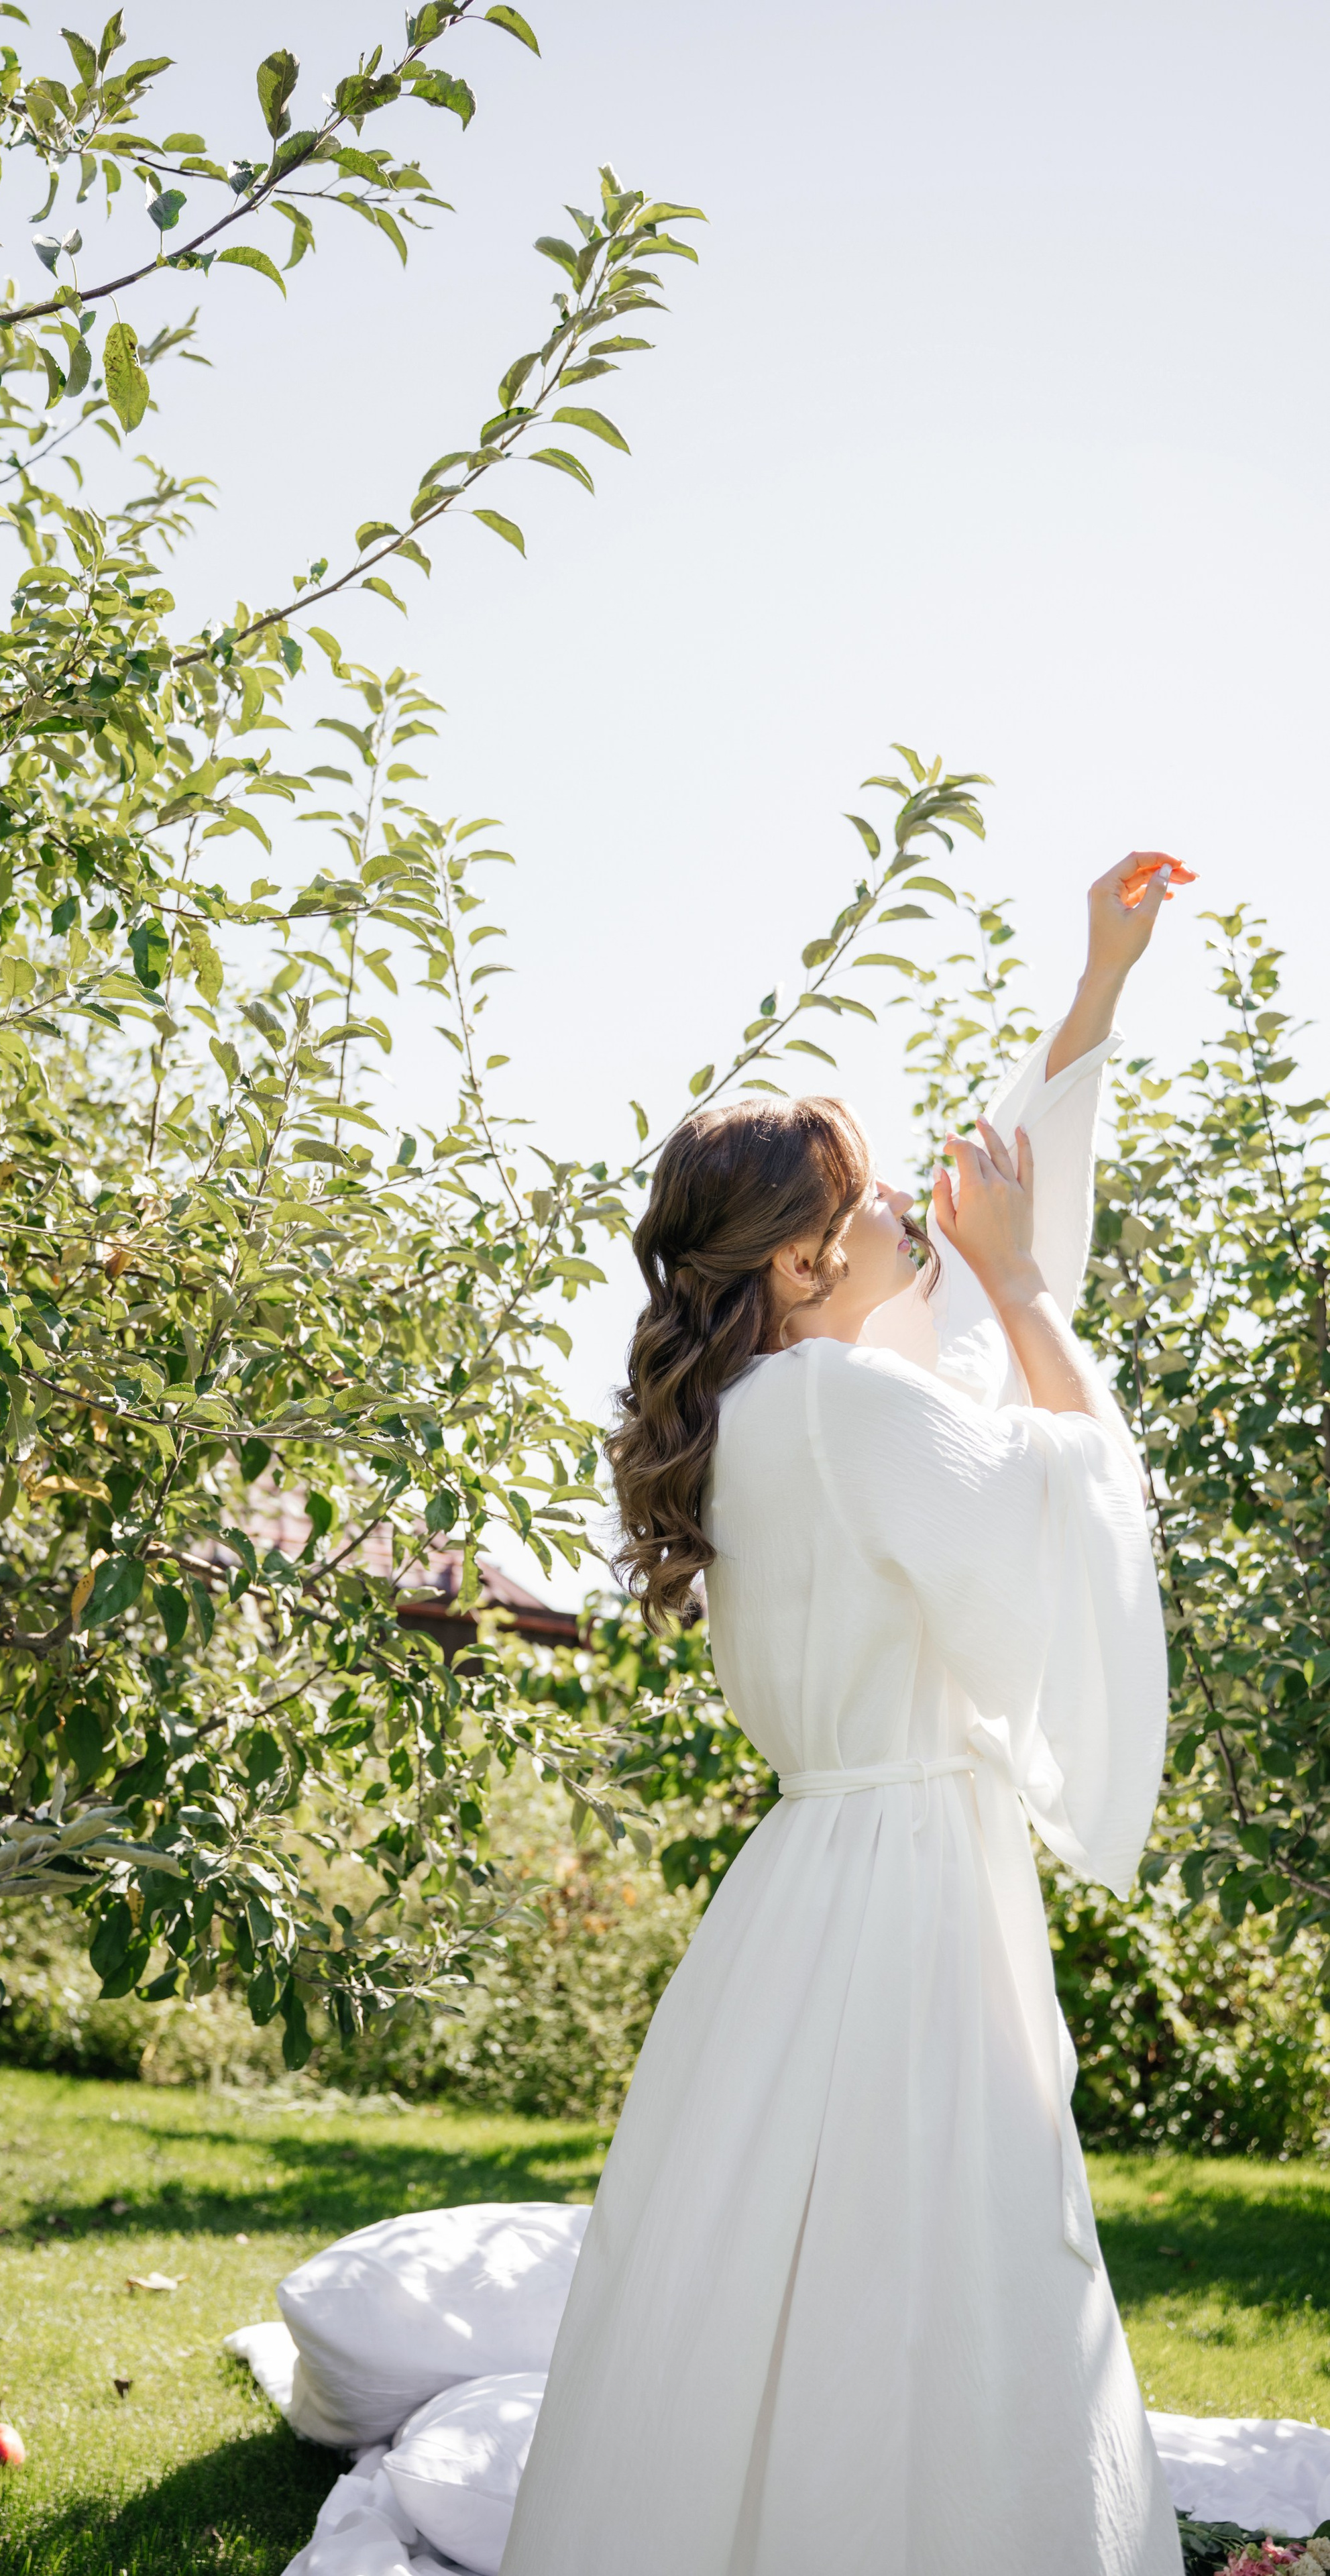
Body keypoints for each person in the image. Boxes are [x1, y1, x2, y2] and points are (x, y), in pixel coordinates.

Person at [499, 860, 1186, 2576]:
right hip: (904, 1891)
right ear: (803, 1264)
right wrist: (1022, 1293)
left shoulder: (778, 1403)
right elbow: (1073, 1485)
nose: (912, 1219)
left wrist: (1092, 994)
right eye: (877, 1201)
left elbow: (971, 1267)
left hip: (816, 1881)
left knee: (777, 2273)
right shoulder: (848, 1410)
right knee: (949, 2260)